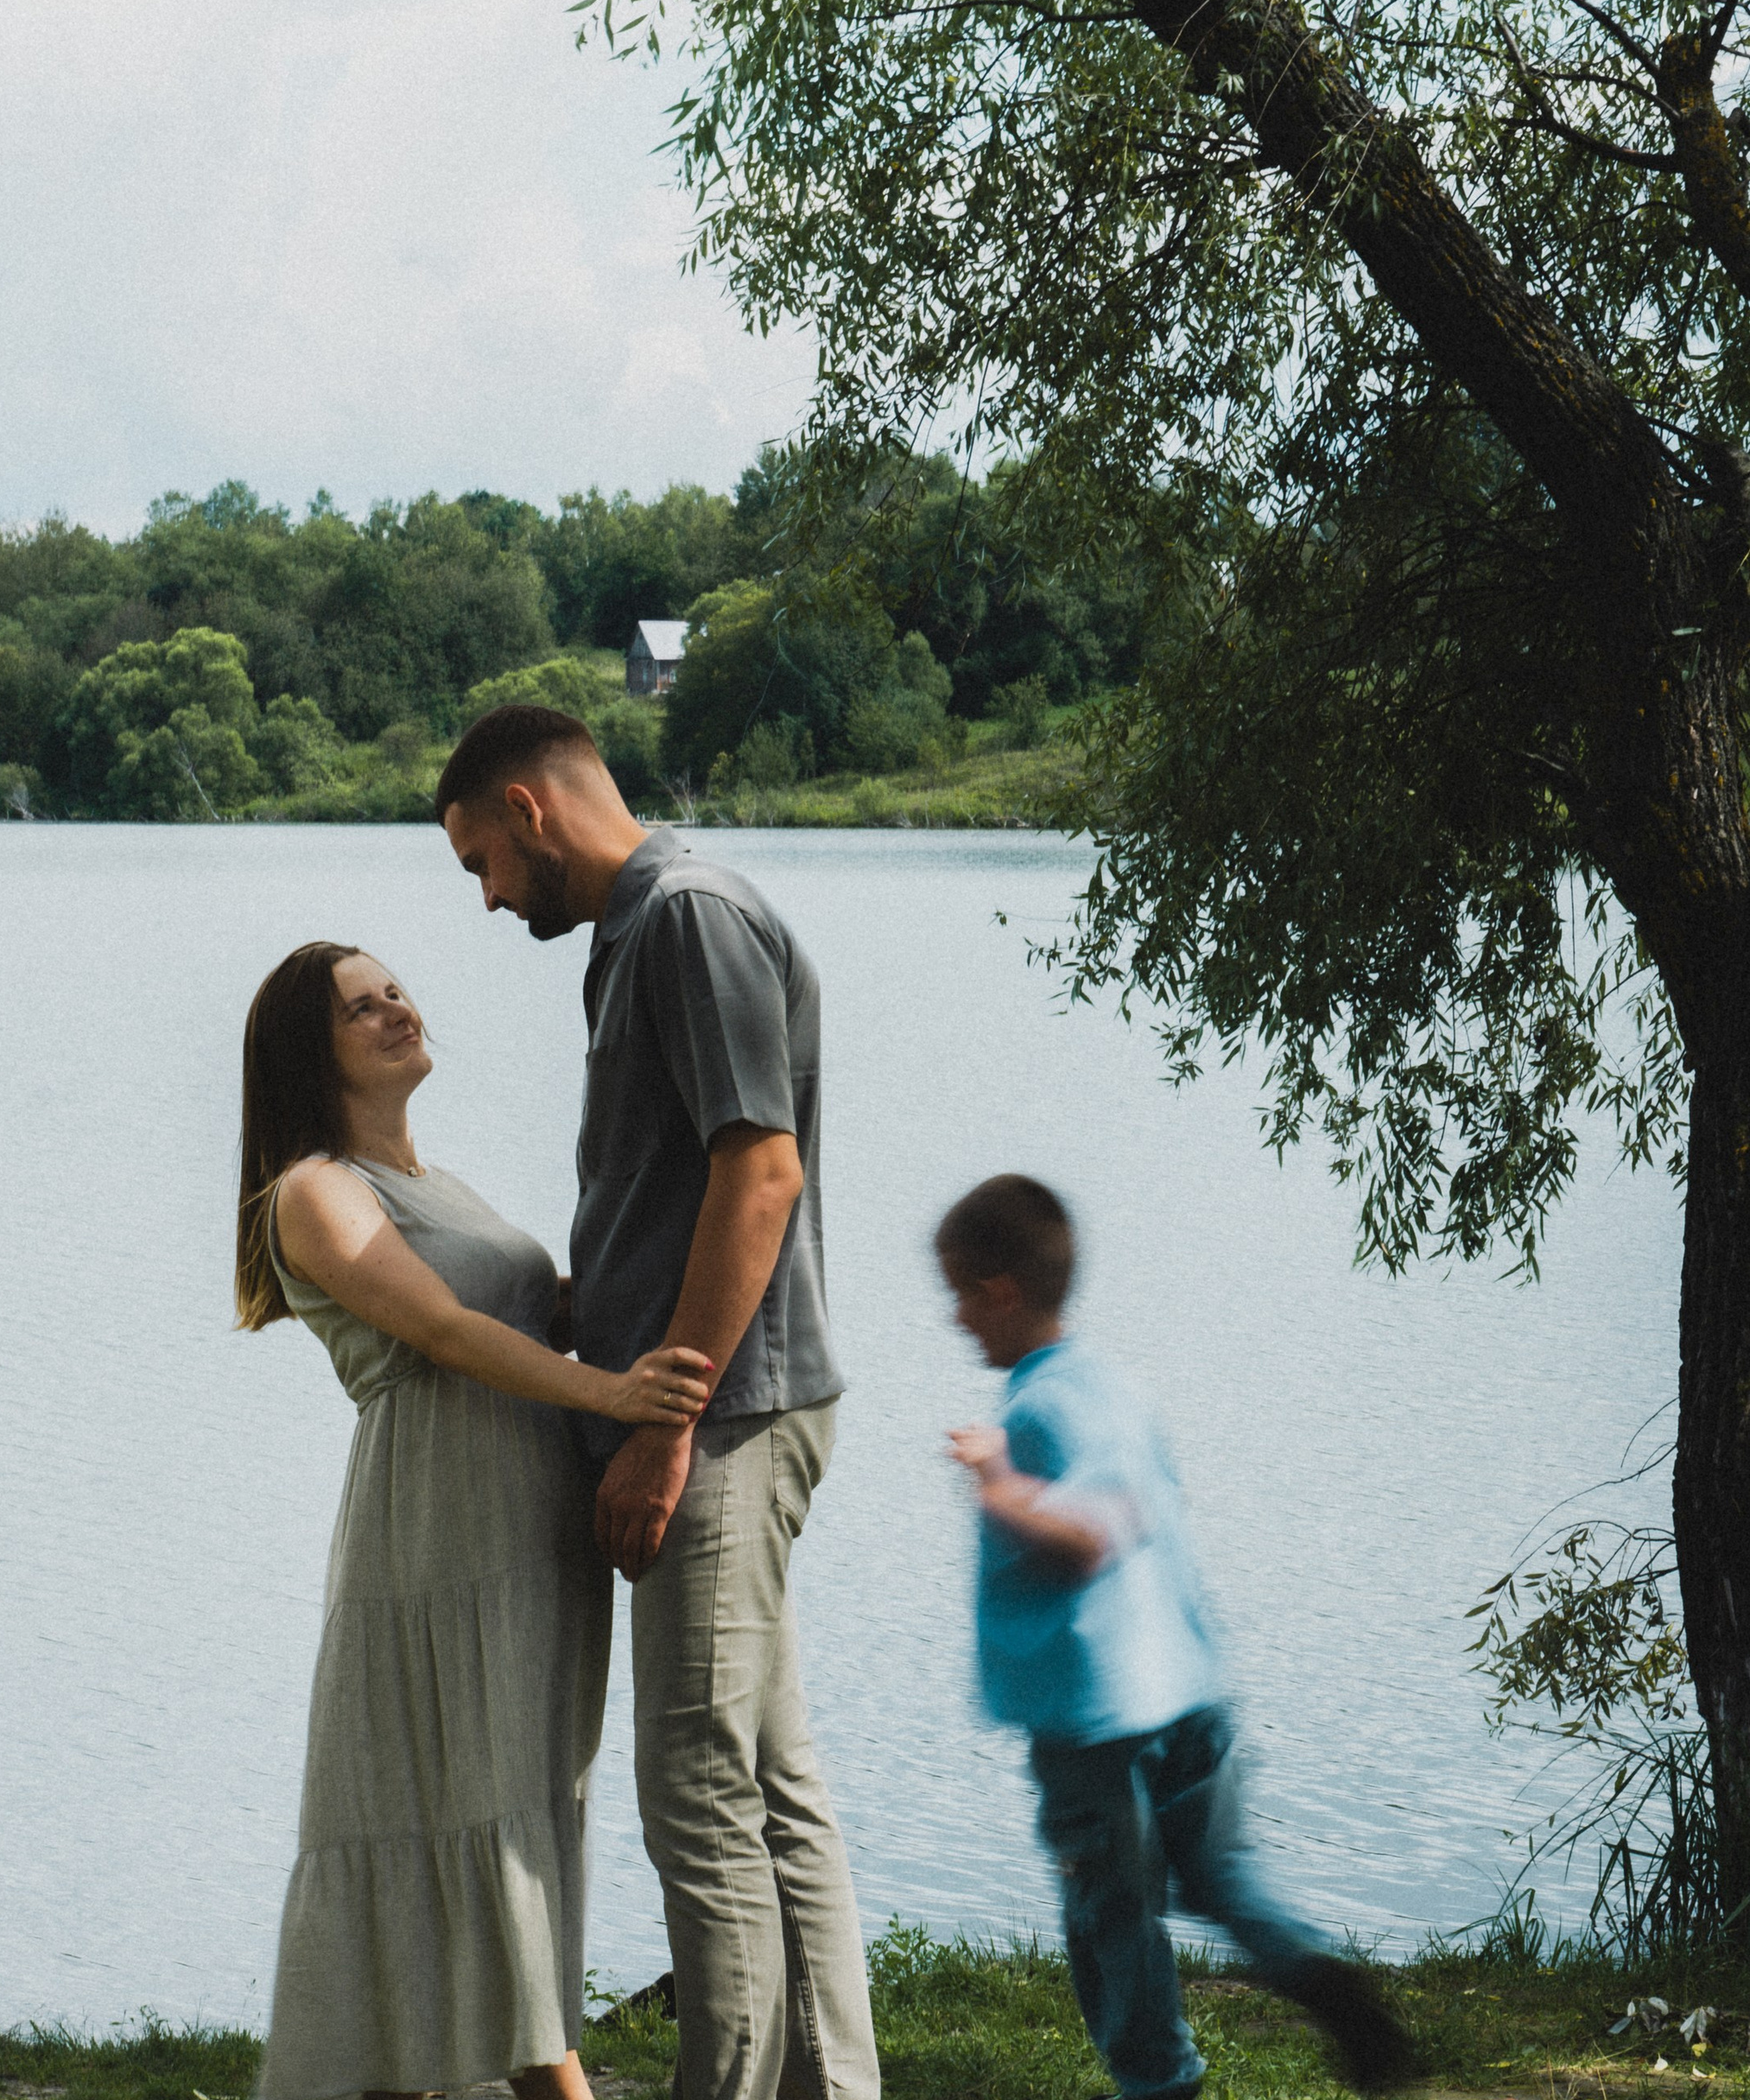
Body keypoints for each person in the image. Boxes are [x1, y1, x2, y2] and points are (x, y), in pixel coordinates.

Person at [434, 704, 880, 2100]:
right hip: (724, 1401)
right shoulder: (637, 935)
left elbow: (762, 1172)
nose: (491, 902)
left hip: (724, 1420)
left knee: (693, 1793)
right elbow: (680, 1183)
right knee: (770, 1781)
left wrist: (662, 1423)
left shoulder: (683, 917)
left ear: (529, 808)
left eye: (480, 867)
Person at [235, 941, 713, 2100]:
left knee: (517, 1801)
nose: (398, 1009)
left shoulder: (438, 1183)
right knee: (457, 1801)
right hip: (435, 1529)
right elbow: (444, 1332)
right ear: (316, 1052)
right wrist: (612, 1393)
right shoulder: (312, 1191)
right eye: (363, 1008)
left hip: (530, 1530)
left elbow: (530, 1306)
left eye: (394, 990)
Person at [936, 1173, 1416, 2100]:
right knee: (1222, 1878)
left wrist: (997, 1485)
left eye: (959, 1292)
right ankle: (1319, 1977)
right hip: (1188, 1691)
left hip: (1094, 1722)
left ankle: (1158, 2084)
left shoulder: (1033, 1412)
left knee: (1110, 1914)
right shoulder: (1112, 1383)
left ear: (999, 1291)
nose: (955, 1317)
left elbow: (1091, 1530)